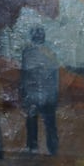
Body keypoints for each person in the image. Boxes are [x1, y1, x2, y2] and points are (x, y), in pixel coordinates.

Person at [20, 26, 59, 155]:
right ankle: (52, 149)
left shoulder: (27, 52)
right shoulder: (50, 52)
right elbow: (55, 76)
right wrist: (55, 94)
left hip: (32, 93)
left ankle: (33, 146)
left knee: (32, 121)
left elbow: (24, 75)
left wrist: (23, 92)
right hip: (48, 94)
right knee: (50, 123)